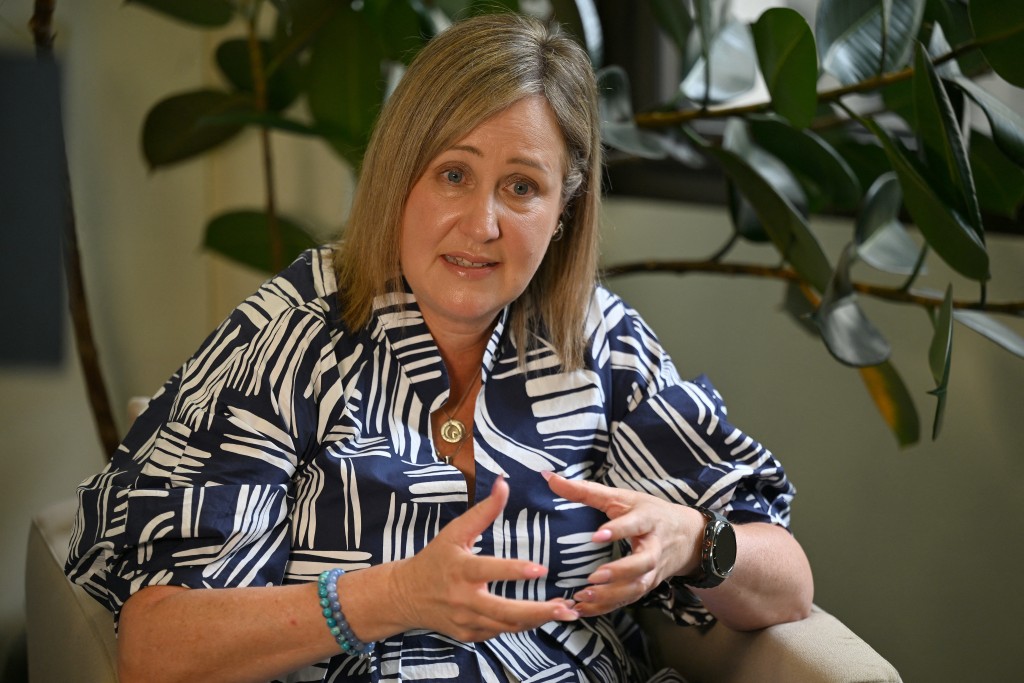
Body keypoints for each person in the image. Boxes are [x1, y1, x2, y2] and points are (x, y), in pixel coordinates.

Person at [65, 12, 813, 683]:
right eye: (453, 174)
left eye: (521, 187)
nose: (482, 223)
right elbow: (158, 648)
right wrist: (389, 596)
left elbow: (790, 583)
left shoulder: (599, 342)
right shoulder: (296, 329)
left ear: (563, 211)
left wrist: (695, 537)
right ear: (399, 179)